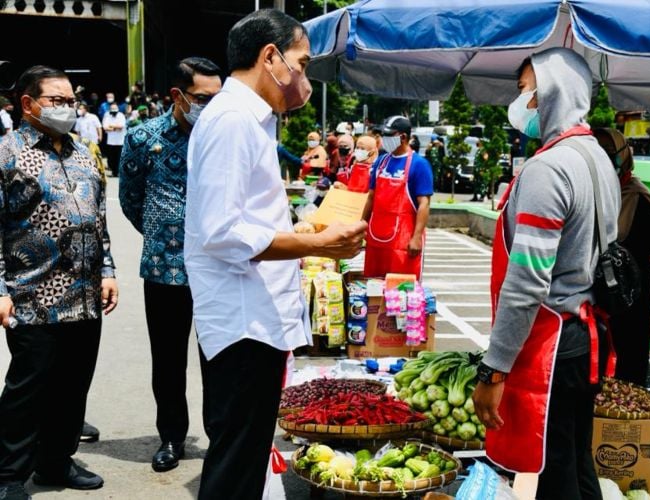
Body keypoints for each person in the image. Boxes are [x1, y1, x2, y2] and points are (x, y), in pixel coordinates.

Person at [184, 10, 366, 499]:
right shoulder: (231, 120)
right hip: (244, 322)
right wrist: (317, 244)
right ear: (271, 57)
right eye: (302, 64)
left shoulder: (253, 120)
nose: (304, 77)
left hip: (255, 316)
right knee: (235, 463)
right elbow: (221, 231)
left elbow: (245, 216)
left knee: (244, 457)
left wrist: (299, 229)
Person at [472, 48, 620, 500]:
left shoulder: (549, 168)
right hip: (586, 338)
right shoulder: (597, 158)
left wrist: (493, 371)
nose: (522, 104)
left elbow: (527, 281)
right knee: (576, 462)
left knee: (554, 473)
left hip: (551, 342)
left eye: (526, 91)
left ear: (552, 92)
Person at [0, 65, 118, 500]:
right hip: (33, 296)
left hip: (84, 296)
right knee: (28, 389)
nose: (68, 107)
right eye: (58, 100)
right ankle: (8, 474)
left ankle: (55, 462)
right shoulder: (6, 154)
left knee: (73, 384)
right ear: (28, 104)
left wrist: (107, 272)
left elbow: (98, 220)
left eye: (72, 100)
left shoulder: (84, 153)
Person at [119, 57, 223, 473]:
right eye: (202, 99)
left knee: (219, 355)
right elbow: (130, 199)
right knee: (167, 359)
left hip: (218, 267)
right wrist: (163, 234)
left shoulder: (222, 136)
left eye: (218, 99)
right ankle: (171, 437)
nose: (211, 108)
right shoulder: (144, 137)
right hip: (165, 269)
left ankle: (221, 436)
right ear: (177, 96)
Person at [594, 127, 650, 387]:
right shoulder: (594, 193)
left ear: (624, 156)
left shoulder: (638, 198)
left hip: (632, 294)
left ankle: (627, 423)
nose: (605, 160)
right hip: (600, 293)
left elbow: (649, 246)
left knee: (629, 366)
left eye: (611, 154)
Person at [362, 115, 434, 280]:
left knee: (401, 292)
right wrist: (362, 225)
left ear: (402, 137)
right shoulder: (381, 162)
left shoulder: (419, 165)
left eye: (388, 135)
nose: (384, 139)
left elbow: (424, 204)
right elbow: (371, 198)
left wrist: (416, 237)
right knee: (374, 288)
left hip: (403, 241)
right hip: (376, 238)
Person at [102, 103, 126, 177]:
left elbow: (121, 126)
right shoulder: (107, 116)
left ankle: (116, 172)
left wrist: (111, 126)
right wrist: (115, 128)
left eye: (115, 108)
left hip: (120, 141)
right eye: (112, 108)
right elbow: (105, 127)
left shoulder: (121, 115)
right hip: (111, 141)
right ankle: (113, 170)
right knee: (110, 158)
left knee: (118, 158)